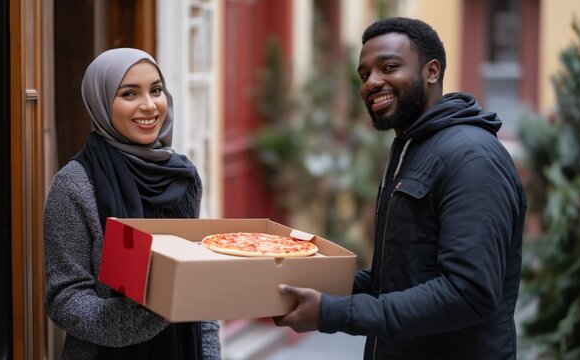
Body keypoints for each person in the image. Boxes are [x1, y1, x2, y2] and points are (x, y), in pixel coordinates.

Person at [274, 17, 527, 359]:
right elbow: (400, 277)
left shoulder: (471, 157)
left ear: (431, 72)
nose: (372, 83)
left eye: (389, 67)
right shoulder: (412, 147)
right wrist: (313, 281)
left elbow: (469, 292)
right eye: (364, 75)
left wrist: (333, 313)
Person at [44, 48, 222, 360]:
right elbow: (65, 298)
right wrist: (143, 316)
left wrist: (210, 354)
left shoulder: (183, 176)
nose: (150, 105)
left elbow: (199, 279)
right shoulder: (74, 184)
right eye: (129, 93)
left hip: (183, 349)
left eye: (156, 90)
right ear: (100, 103)